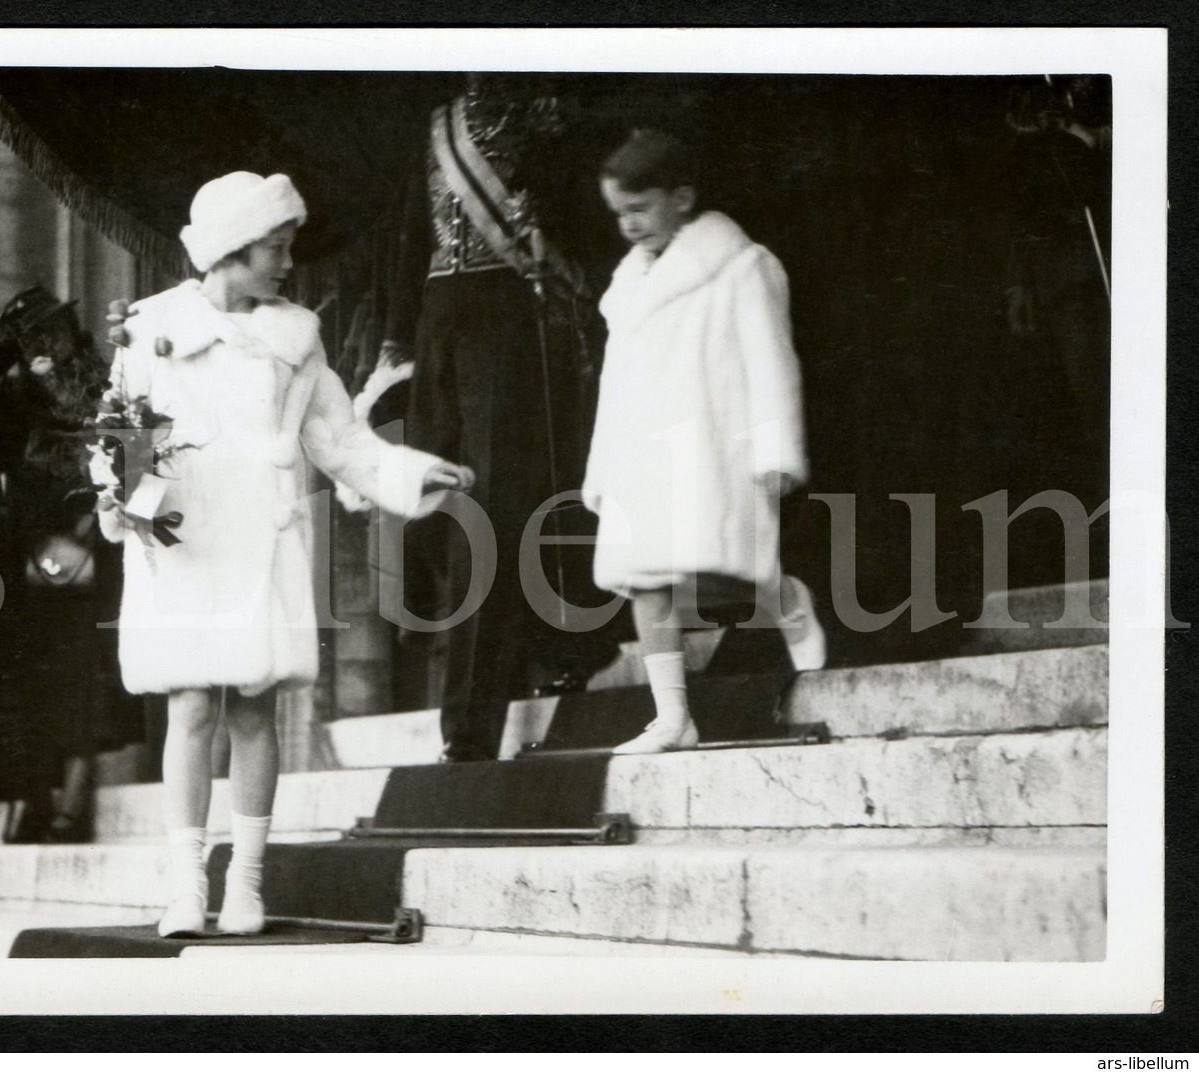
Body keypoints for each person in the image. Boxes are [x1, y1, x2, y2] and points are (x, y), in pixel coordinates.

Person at [97, 172, 473, 937]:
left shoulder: (294, 336)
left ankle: (247, 884)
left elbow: (339, 439)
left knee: (255, 708)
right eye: (275, 247)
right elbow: (114, 434)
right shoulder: (146, 328)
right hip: (186, 541)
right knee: (192, 705)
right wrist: (123, 492)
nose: (286, 262)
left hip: (258, 539)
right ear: (233, 248)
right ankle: (184, 889)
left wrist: (410, 472)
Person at [381, 73, 627, 762]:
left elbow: (584, 235)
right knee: (433, 509)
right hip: (438, 334)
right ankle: (558, 644)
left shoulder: (551, 124)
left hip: (514, 333)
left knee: (489, 516)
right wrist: (395, 341)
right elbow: (410, 237)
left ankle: (473, 723)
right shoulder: (438, 125)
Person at [585, 129, 826, 755]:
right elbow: (614, 384)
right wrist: (603, 468)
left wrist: (777, 450)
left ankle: (786, 597)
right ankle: (673, 719)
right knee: (644, 578)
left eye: (639, 209)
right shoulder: (627, 289)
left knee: (721, 570)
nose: (629, 225)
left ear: (682, 196)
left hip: (711, 448)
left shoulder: (742, 265)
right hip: (642, 455)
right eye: (619, 214)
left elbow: (773, 362)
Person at [0, 285, 135, 843]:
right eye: (30, 339)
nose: (44, 346)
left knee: (87, 682)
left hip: (94, 548)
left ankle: (71, 807)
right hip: (28, 555)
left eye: (51, 331)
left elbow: (131, 462)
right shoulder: (13, 399)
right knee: (29, 680)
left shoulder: (104, 384)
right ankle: (33, 802)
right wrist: (31, 545)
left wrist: (90, 534)